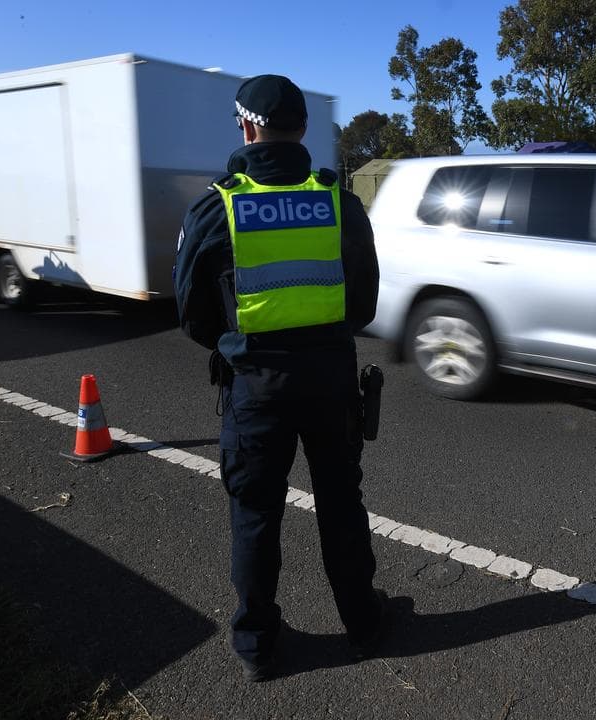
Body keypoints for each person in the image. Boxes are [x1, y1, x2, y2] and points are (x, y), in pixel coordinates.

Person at [174, 74, 384, 682]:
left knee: (256, 515)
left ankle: (258, 646)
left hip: (256, 387)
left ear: (246, 127)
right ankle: (364, 623)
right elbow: (364, 303)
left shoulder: (218, 206)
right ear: (303, 129)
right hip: (330, 382)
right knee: (342, 505)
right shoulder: (338, 202)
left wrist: (241, 341)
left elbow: (190, 311)